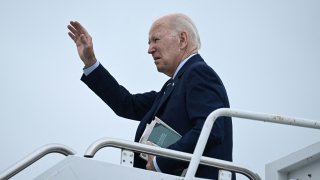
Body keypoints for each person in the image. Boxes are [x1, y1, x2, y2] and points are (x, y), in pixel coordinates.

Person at [67, 13, 235, 180]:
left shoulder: (198, 73)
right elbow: (127, 104)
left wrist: (160, 161)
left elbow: (211, 130)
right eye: (149, 43)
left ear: (182, 40)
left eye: (156, 40)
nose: (149, 49)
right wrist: (90, 62)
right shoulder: (173, 85)